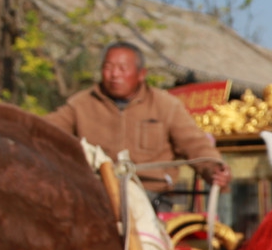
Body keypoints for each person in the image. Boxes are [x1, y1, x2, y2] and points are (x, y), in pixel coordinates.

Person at [43, 42, 230, 195]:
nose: (114, 74)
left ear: (141, 74)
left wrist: (214, 169)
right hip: (94, 192)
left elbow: (195, 145)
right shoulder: (81, 104)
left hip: (150, 194)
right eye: (108, 68)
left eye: (122, 69)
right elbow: (44, 130)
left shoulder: (166, 105)